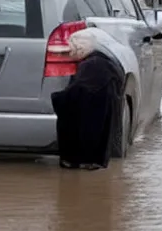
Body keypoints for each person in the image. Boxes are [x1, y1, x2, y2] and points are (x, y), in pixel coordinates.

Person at [51, 28, 125, 170]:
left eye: (71, 49)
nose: (69, 53)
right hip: (100, 127)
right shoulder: (103, 62)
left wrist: (55, 98)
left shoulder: (90, 66)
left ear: (79, 48)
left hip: (88, 130)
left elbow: (74, 94)